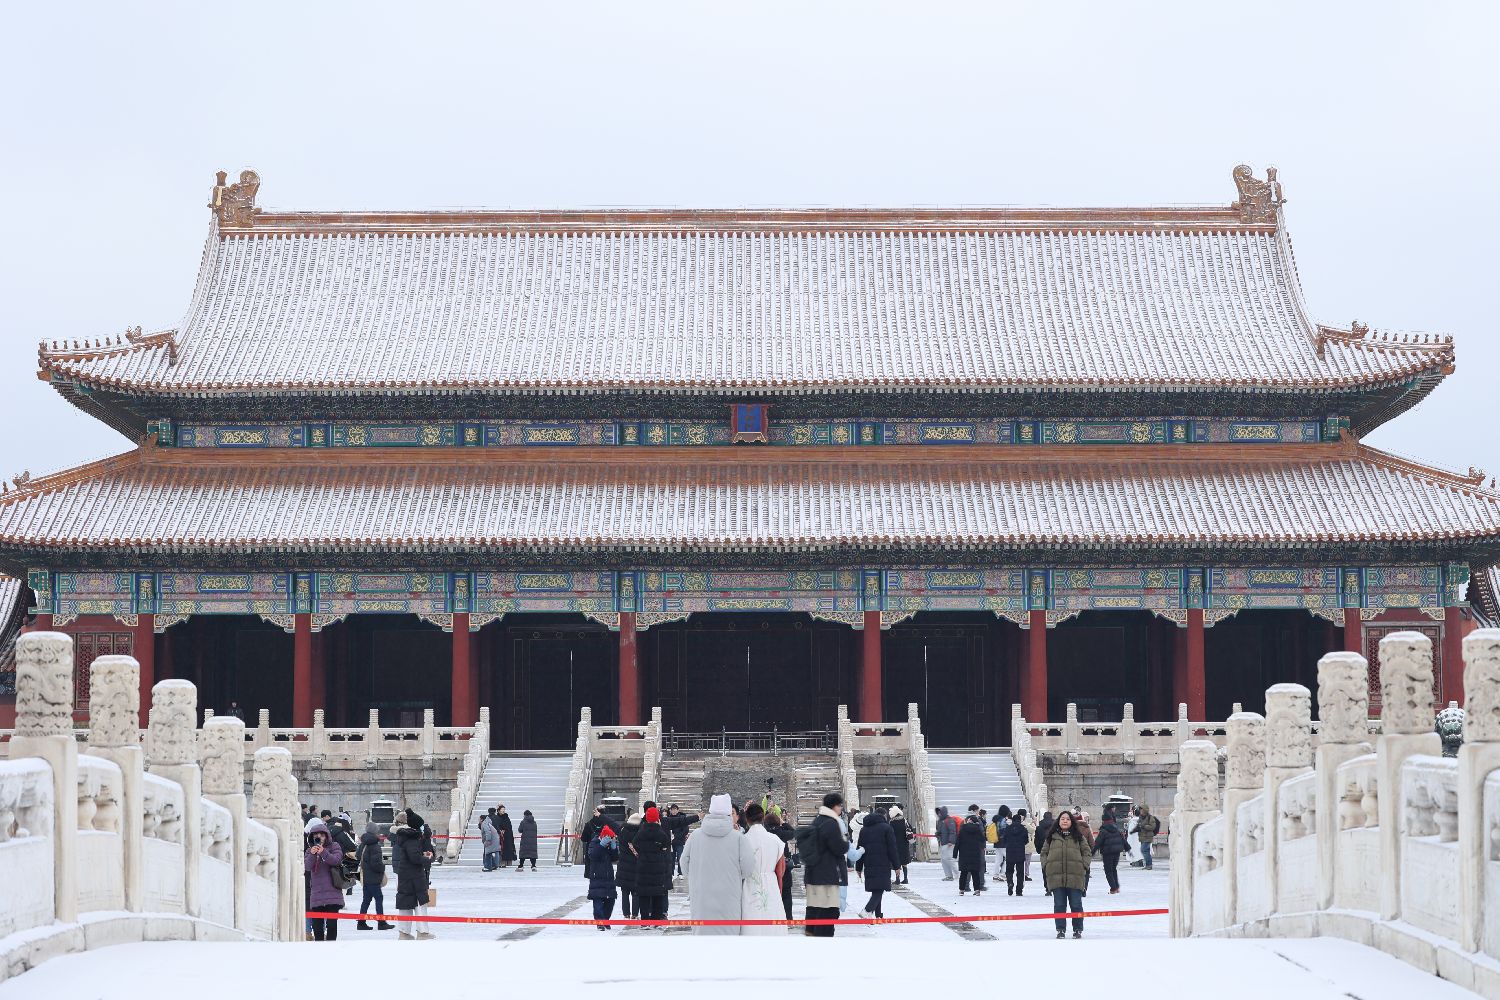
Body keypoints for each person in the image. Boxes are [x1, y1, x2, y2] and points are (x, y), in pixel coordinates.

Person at [679, 794, 755, 935]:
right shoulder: (738, 837)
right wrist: (736, 877)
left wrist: (695, 876)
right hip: (729, 894)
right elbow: (748, 867)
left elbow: (684, 863)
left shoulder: (695, 836)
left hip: (701, 895)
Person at [799, 791, 847, 937]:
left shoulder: (818, 820)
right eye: (840, 805)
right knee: (828, 910)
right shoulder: (831, 823)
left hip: (813, 873)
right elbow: (839, 848)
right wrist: (845, 842)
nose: (841, 808)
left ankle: (811, 933)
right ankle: (823, 941)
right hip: (827, 875)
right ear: (834, 806)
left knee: (814, 908)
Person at [1043, 810, 1091, 938]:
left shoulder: (1079, 837)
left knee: (1076, 905)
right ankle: (1060, 929)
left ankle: (1077, 929)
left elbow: (1087, 852)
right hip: (1056, 877)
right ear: (1058, 821)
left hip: (1075, 877)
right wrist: (1046, 866)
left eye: (1068, 819)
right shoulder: (1051, 837)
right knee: (1059, 905)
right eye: (1062, 819)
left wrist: (1083, 866)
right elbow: (1044, 853)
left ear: (1072, 822)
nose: (1065, 821)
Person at [391, 810, 435, 940]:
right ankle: (423, 932)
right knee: (420, 903)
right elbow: (414, 858)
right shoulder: (412, 838)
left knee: (406, 903)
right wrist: (427, 859)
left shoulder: (405, 837)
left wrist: (422, 855)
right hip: (414, 875)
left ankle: (404, 932)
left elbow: (412, 855)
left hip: (406, 874)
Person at [630, 806, 673, 924]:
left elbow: (635, 843)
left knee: (644, 894)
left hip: (643, 866)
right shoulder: (661, 833)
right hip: (658, 867)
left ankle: (644, 919)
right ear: (657, 818)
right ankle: (656, 919)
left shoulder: (641, 832)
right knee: (657, 894)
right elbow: (666, 845)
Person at [303, 819, 345, 941]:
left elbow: (336, 860)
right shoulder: (309, 851)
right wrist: (312, 854)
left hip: (333, 893)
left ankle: (331, 947)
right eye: (316, 835)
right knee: (317, 927)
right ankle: (319, 949)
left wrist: (323, 852)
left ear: (326, 836)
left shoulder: (334, 846)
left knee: (331, 925)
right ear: (312, 837)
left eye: (322, 835)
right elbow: (307, 867)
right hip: (317, 894)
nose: (319, 837)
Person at [855, 806, 899, 918]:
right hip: (883, 863)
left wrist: (858, 867)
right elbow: (892, 849)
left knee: (877, 888)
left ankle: (878, 914)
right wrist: (896, 866)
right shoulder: (887, 828)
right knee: (879, 889)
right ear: (884, 815)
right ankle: (867, 910)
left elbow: (860, 849)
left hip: (869, 863)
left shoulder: (864, 830)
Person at [356, 821, 394, 929]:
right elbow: (376, 864)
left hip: (365, 876)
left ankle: (361, 923)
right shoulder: (375, 846)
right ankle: (381, 923)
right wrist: (382, 868)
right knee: (379, 898)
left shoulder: (363, 843)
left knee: (366, 900)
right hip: (373, 877)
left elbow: (358, 856)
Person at [586, 825, 620, 930]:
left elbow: (615, 858)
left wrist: (614, 847)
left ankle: (605, 920)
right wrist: (601, 845)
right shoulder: (594, 842)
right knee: (598, 901)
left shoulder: (609, 844)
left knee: (610, 900)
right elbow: (592, 855)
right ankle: (600, 921)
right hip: (597, 876)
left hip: (608, 877)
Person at [1093, 809, 1131, 894]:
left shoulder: (1103, 831)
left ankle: (1113, 888)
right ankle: (1116, 887)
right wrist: (1128, 849)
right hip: (1116, 852)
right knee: (1113, 869)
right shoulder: (1116, 829)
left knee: (1108, 871)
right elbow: (1123, 840)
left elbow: (1098, 842)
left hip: (1107, 853)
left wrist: (1092, 852)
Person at [615, 811, 642, 919]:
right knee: (636, 892)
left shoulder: (622, 832)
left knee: (625, 892)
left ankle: (626, 913)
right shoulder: (640, 833)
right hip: (636, 866)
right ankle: (635, 913)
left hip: (623, 866)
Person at [999, 807, 1031, 895]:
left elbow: (1004, 840)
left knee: (1009, 871)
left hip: (1010, 852)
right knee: (1020, 873)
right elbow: (1026, 841)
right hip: (1020, 852)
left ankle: (1010, 883)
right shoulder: (1023, 829)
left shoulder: (1008, 828)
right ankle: (1019, 890)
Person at [957, 805, 987, 895]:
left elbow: (959, 837)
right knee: (977, 868)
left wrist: (957, 850)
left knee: (965, 870)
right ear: (974, 811)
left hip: (964, 850)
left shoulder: (963, 821)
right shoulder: (977, 821)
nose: (978, 813)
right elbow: (982, 835)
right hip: (976, 849)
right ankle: (979, 886)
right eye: (977, 811)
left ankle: (964, 887)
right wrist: (983, 846)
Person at [664, 803, 700, 876]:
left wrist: (677, 836)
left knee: (680, 857)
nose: (673, 811)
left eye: (675, 809)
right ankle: (671, 873)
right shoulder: (668, 819)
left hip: (679, 841)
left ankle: (681, 873)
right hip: (670, 843)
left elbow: (685, 830)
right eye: (672, 810)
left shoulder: (682, 818)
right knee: (671, 858)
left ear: (677, 810)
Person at [886, 805, 912, 886]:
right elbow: (910, 830)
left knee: (896, 862)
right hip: (904, 844)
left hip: (895, 844)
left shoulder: (891, 822)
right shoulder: (904, 821)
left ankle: (897, 879)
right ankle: (905, 878)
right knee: (904, 862)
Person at [1131, 805, 1160, 870]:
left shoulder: (1150, 818)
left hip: (1148, 837)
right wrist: (1134, 830)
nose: (1140, 811)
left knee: (1143, 850)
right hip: (1142, 837)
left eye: (1141, 809)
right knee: (1146, 851)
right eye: (1140, 810)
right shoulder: (1141, 817)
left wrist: (1144, 826)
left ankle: (1149, 865)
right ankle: (1148, 865)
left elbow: (1152, 827)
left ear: (1145, 810)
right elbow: (1139, 826)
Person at [1034, 811, 1055, 891]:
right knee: (1054, 869)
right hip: (1054, 850)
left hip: (1043, 850)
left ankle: (1047, 887)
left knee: (1045, 868)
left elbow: (1036, 841)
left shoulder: (1039, 828)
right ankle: (1053, 885)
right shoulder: (1056, 827)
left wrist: (1038, 850)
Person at [935, 806, 958, 881]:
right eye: (938, 813)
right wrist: (937, 834)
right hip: (942, 842)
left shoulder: (950, 820)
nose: (939, 814)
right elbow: (939, 831)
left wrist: (951, 841)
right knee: (944, 860)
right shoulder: (940, 821)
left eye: (940, 812)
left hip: (949, 843)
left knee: (950, 859)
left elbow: (952, 831)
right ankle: (949, 875)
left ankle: (957, 874)